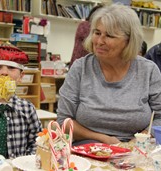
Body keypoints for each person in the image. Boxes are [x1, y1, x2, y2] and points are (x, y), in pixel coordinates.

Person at [57, 4, 161, 145]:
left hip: (137, 150)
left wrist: (137, 141)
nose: (99, 41)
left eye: (109, 36)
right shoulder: (81, 68)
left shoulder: (148, 70)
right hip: (88, 148)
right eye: (97, 33)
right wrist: (104, 139)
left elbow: (159, 117)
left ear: (129, 40)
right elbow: (64, 120)